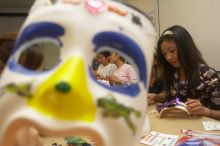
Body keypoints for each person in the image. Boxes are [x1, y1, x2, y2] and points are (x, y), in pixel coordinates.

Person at [148, 25, 220, 120]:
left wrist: (206, 111)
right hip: (179, 124)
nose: (168, 57)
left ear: (186, 48)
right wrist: (155, 97)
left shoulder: (207, 74)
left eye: (172, 51)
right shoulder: (173, 72)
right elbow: (168, 95)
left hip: (202, 127)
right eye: (164, 54)